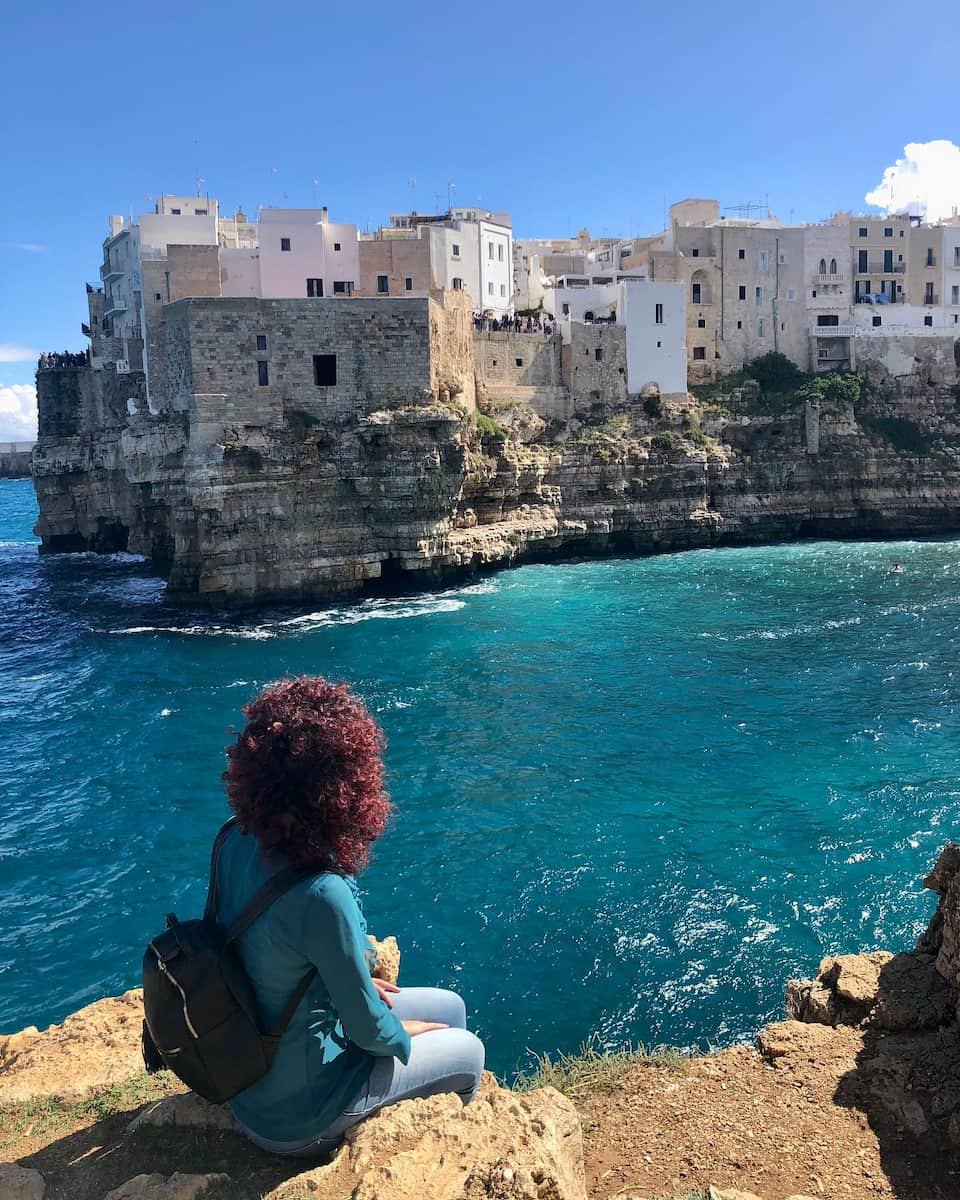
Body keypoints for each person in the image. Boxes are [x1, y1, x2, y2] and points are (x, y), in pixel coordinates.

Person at [216, 675, 485, 1157]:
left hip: (247, 1071)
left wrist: (349, 979)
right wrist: (403, 1035)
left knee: (449, 1006)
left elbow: (253, 952)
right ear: (342, 788)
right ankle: (440, 1154)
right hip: (297, 1114)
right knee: (468, 1049)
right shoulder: (322, 893)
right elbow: (368, 1032)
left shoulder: (233, 837)